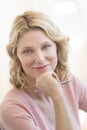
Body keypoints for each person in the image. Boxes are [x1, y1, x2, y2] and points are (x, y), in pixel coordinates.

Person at [0, 10, 87, 130]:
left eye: (46, 46)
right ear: (17, 56)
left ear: (57, 47)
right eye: (28, 51)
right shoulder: (12, 108)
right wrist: (57, 96)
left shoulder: (70, 81)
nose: (40, 59)